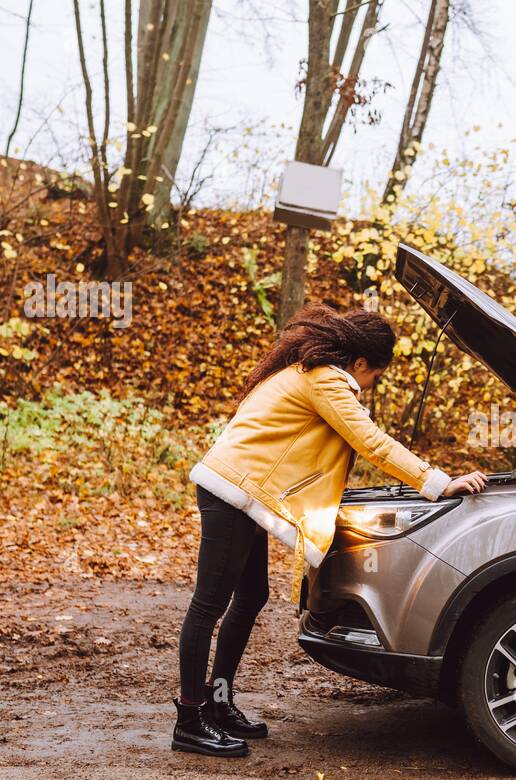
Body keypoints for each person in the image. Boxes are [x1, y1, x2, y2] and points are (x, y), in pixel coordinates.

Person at [173, 304, 489, 756]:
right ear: (360, 364)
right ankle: (190, 717)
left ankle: (218, 702)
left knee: (251, 596)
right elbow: (371, 441)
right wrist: (437, 482)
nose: (370, 385)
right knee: (208, 605)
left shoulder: (308, 371)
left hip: (245, 490)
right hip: (232, 493)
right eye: (375, 376)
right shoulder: (325, 380)